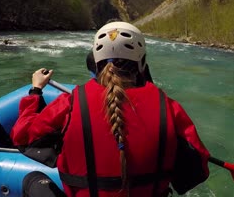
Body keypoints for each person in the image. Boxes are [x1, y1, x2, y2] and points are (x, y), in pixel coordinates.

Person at [11, 22, 210, 197]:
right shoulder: (169, 107)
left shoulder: (70, 102)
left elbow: (22, 136)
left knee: (33, 180)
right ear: (142, 63)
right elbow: (196, 173)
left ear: (97, 62)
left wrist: (35, 91)